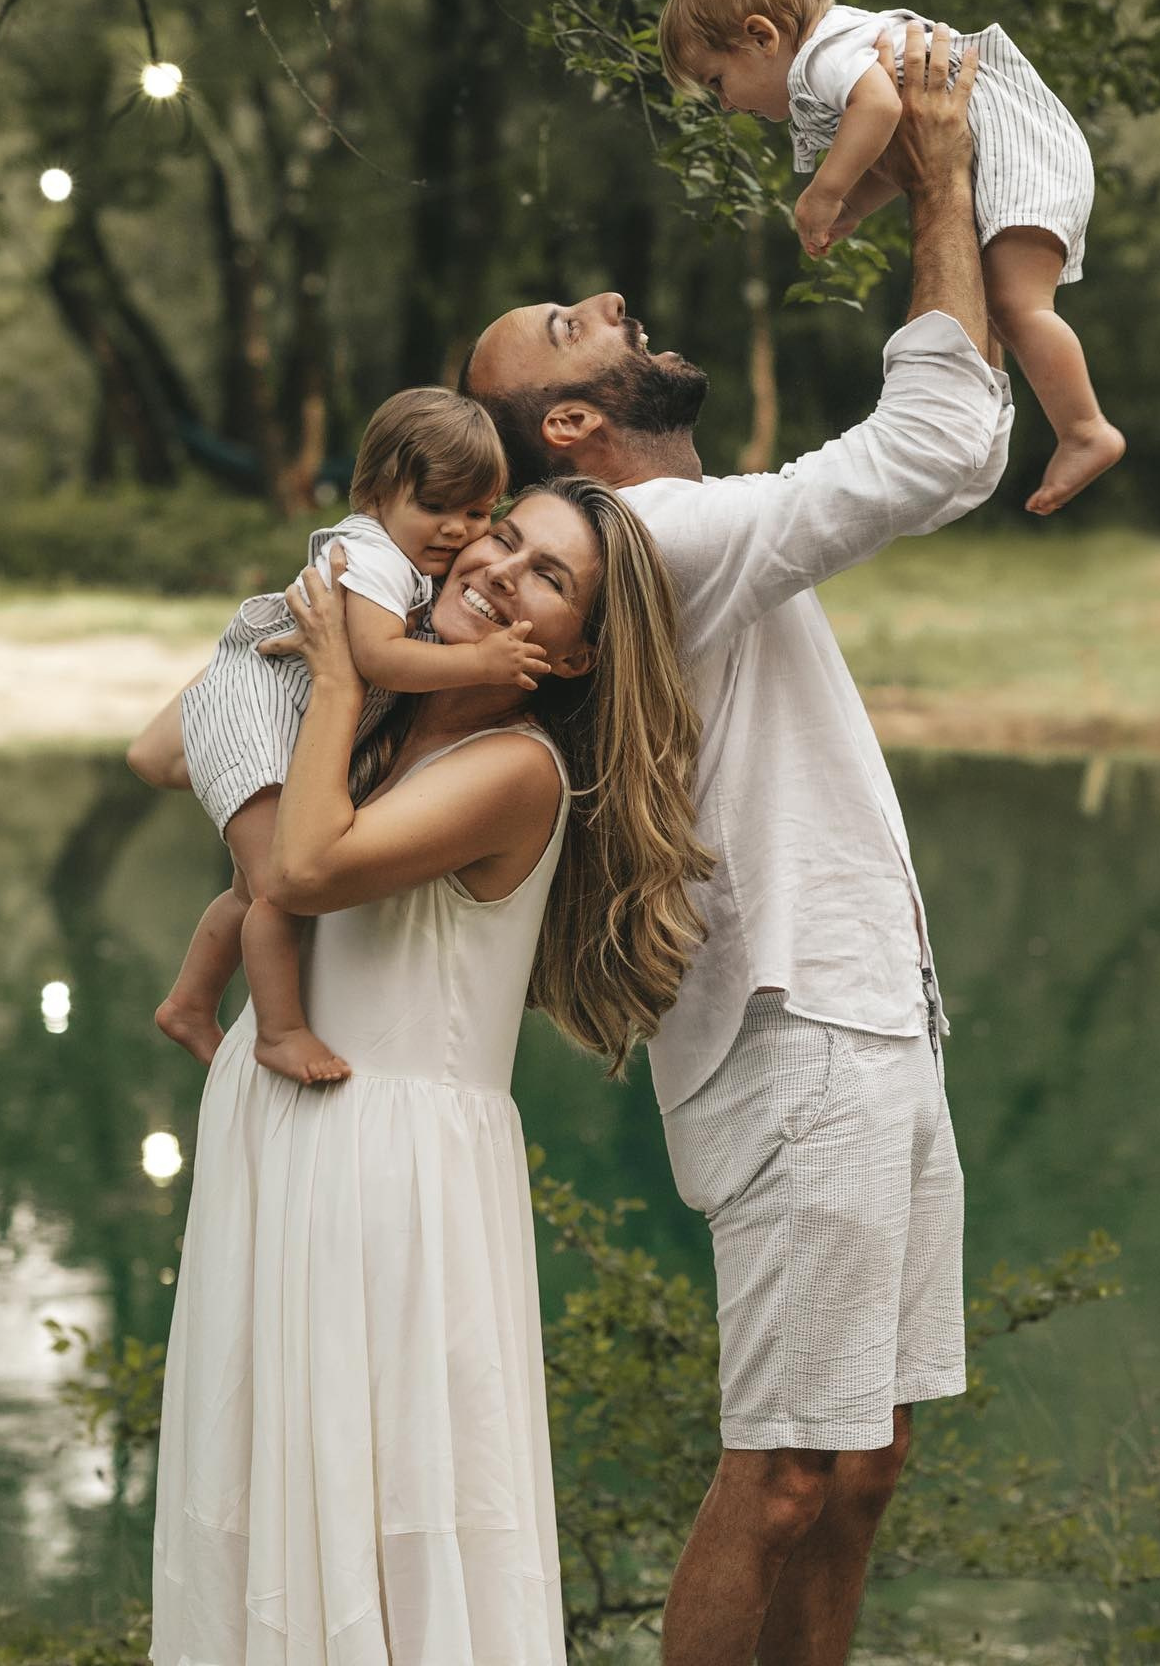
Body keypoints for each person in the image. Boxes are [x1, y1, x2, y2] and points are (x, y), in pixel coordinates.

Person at [459, 22, 1010, 1665]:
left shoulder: (668, 540)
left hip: (865, 1018)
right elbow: (946, 445)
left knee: (862, 1463)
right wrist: (944, 184)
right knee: (784, 1473)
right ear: (568, 424)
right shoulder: (655, 536)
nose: (617, 310)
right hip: (802, 1036)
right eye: (577, 326)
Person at [148, 478, 712, 1666]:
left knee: (391, 1507)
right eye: (501, 537)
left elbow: (301, 870)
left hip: (387, 1172)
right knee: (264, 1491)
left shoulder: (518, 772)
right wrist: (319, 629)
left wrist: (348, 673)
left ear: (575, 655)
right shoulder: (376, 734)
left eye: (547, 577)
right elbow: (160, 749)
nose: (499, 570)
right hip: (278, 1129)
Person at [136, 386, 548, 1087]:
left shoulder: (406, 558)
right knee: (277, 889)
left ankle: (189, 1003)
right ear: (378, 494)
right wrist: (479, 661)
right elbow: (379, 658)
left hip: (265, 714)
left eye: (477, 513)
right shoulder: (375, 560)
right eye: (436, 507)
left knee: (246, 887)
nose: (456, 530)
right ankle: (280, 1030)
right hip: (255, 714)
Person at [658, 0, 1124, 516]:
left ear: (760, 36)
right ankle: (1014, 432)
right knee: (996, 311)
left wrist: (825, 193)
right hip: (1015, 145)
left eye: (717, 81)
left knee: (1015, 308)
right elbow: (893, 138)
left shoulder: (824, 57)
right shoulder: (839, 52)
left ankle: (1085, 428)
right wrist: (855, 205)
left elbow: (879, 109)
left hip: (1019, 153)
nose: (724, 105)